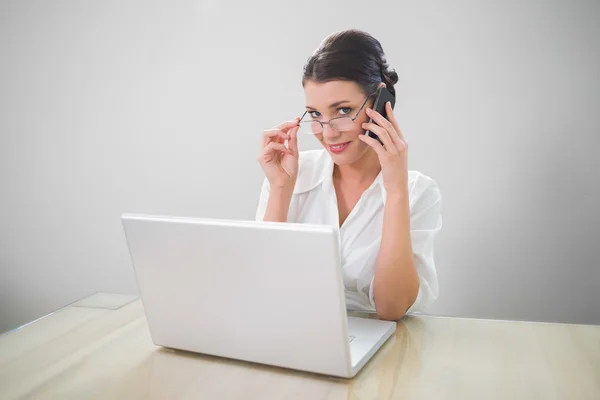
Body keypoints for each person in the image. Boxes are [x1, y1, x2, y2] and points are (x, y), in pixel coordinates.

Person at [256, 29, 442, 321]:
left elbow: (391, 308)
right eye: (315, 115)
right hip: (294, 334)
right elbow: (261, 288)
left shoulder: (417, 192)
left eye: (343, 110)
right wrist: (280, 189)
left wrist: (395, 191)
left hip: (381, 349)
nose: (327, 132)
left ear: (381, 104)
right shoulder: (289, 175)